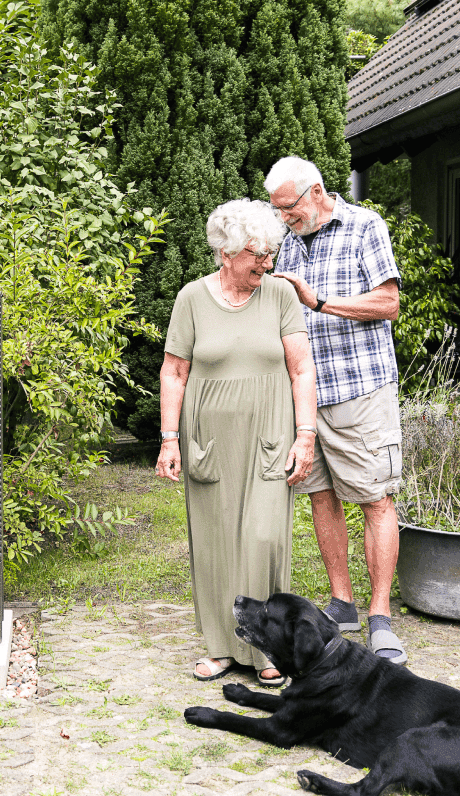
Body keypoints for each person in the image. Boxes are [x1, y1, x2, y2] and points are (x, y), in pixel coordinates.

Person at [155, 197, 318, 686]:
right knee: (215, 544)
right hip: (210, 440)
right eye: (256, 254)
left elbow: (301, 367)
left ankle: (266, 647)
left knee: (263, 540)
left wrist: (305, 435)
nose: (265, 264)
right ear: (226, 253)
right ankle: (223, 647)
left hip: (271, 435)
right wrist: (169, 439)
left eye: (269, 253)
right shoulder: (191, 298)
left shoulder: (280, 296)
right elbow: (174, 371)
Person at [264, 156, 408, 665]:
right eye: (277, 210)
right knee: (321, 497)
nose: (282, 218)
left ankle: (380, 616)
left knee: (373, 499)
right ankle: (342, 602)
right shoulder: (286, 240)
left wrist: (319, 301)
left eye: (288, 208)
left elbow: (387, 304)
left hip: (359, 390)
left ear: (316, 191)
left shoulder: (365, 227)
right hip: (304, 398)